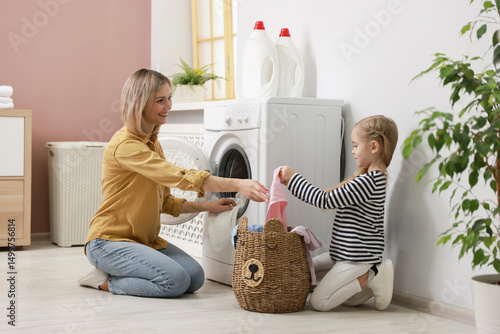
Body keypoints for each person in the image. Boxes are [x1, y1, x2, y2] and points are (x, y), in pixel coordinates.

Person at [78, 69, 269, 298]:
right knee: (175, 281)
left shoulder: (152, 142)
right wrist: (238, 184)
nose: (169, 106)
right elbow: (178, 176)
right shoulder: (126, 146)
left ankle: (129, 270)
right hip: (109, 242)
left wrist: (208, 207)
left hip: (144, 242)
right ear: (140, 104)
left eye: (170, 98)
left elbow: (165, 202)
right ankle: (104, 281)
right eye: (160, 100)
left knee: (196, 277)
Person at [280, 115, 398, 311]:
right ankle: (367, 281)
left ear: (374, 147)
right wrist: (292, 184)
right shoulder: (373, 179)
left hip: (356, 258)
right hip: (343, 254)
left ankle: (373, 275)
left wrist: (293, 179)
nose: (352, 151)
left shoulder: (368, 182)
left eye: (355, 145)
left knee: (320, 302)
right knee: (305, 266)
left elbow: (324, 200)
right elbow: (326, 198)